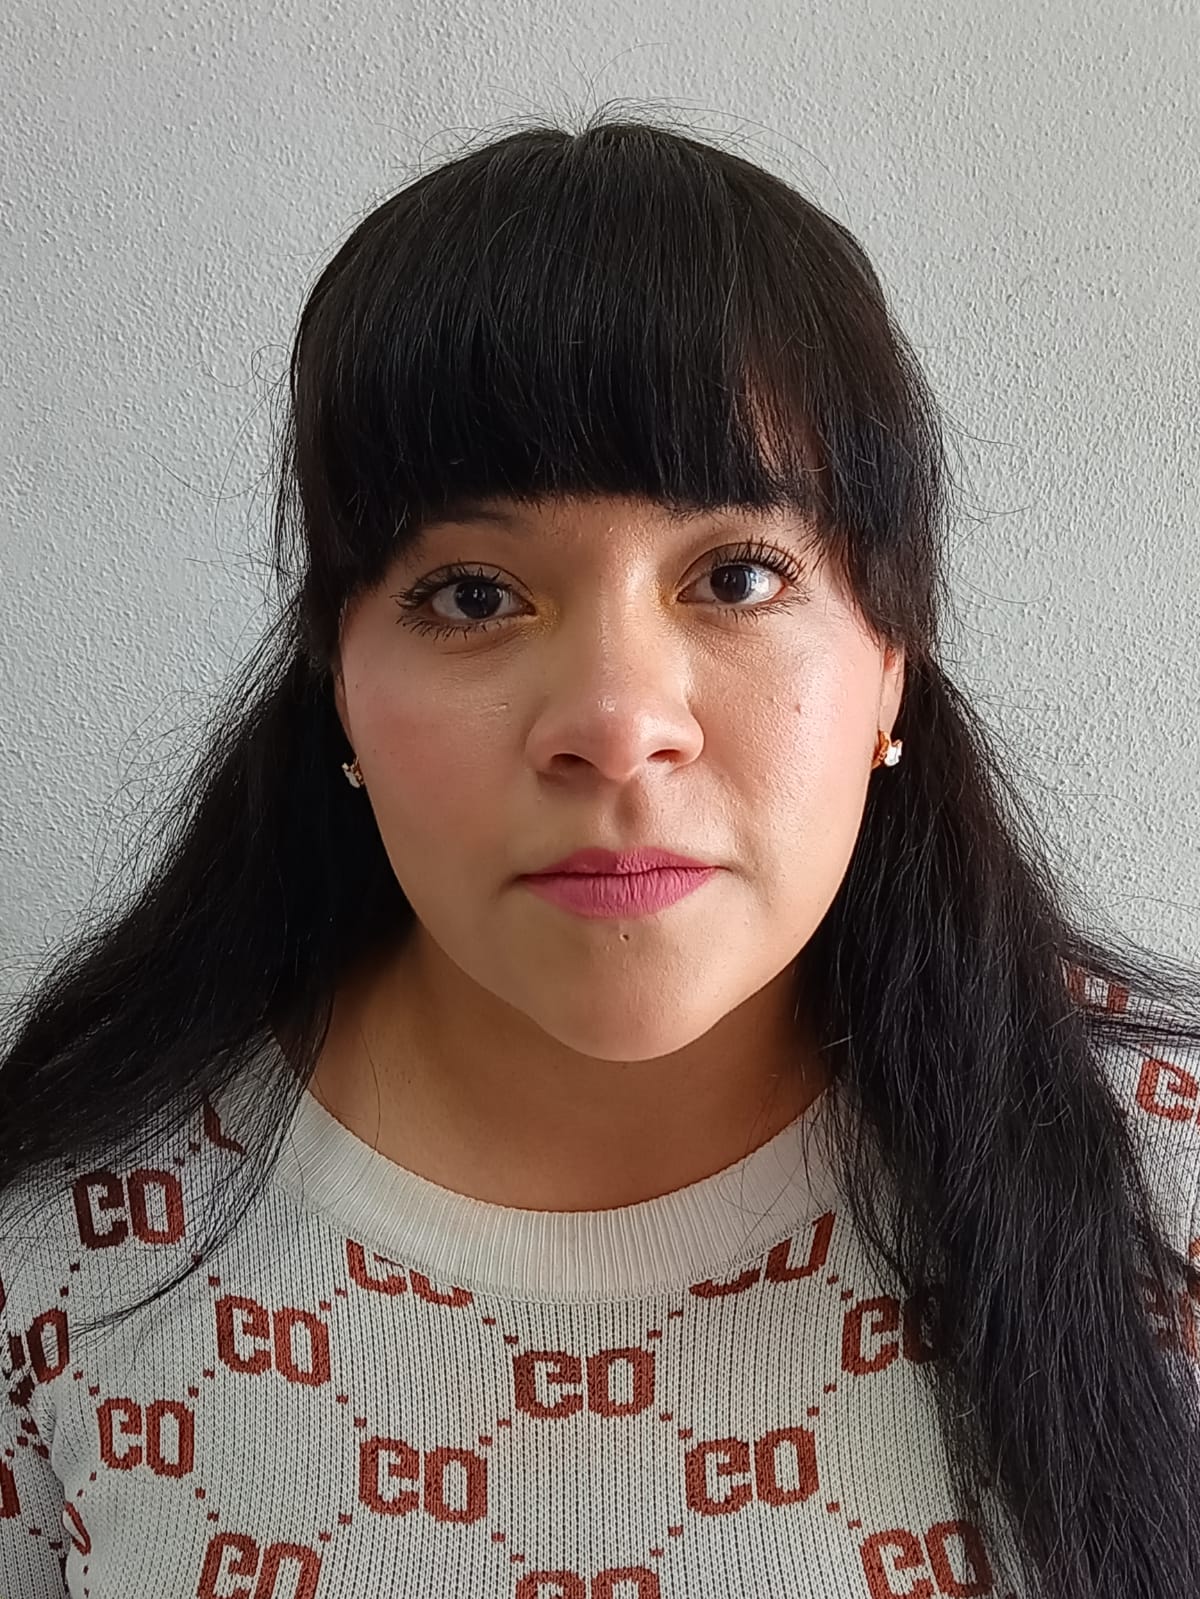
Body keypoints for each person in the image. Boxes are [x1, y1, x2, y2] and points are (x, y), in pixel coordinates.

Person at [2, 113, 1199, 1599]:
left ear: (892, 660)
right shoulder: (68, 1253)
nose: (618, 727)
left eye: (738, 576)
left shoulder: (1166, 1185)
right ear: (339, 681)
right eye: (474, 595)